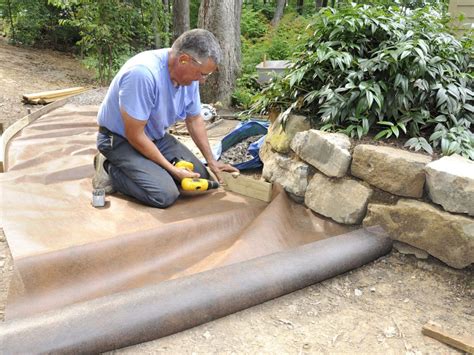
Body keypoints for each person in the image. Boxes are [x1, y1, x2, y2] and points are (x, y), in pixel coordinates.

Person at [92, 29, 239, 208]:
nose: (202, 81)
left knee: (200, 177)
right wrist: (173, 170)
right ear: (184, 59)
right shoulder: (143, 74)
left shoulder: (188, 79)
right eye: (202, 74)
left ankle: (150, 170)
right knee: (164, 194)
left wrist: (212, 161)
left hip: (155, 137)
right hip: (120, 140)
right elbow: (135, 135)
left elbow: (194, 119)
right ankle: (110, 167)